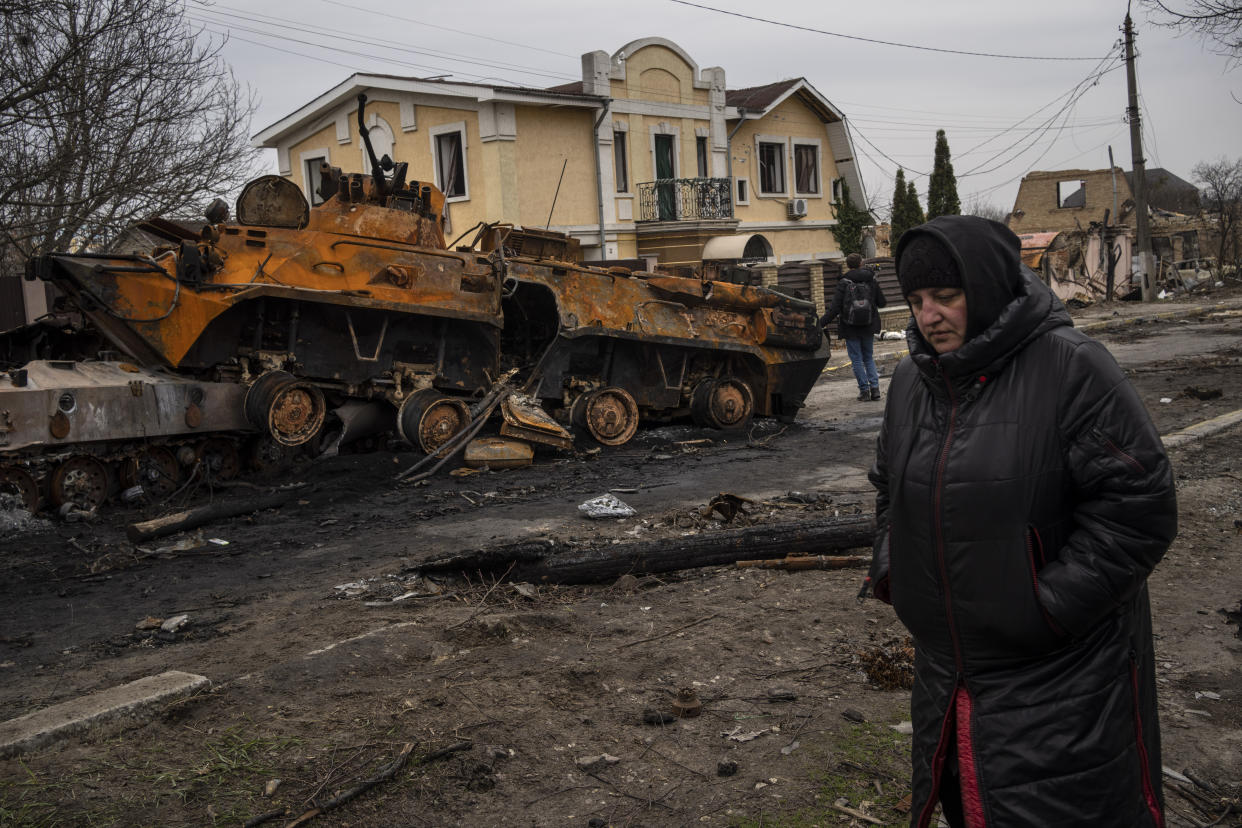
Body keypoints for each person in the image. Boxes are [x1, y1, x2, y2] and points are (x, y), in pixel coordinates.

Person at [861, 216, 1177, 827]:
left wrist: (1044, 608)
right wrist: (893, 570)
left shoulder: (1071, 367)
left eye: (947, 297)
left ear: (987, 289)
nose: (929, 316)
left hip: (1061, 683)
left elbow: (1139, 507)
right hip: (946, 679)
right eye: (918, 300)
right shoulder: (911, 380)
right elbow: (887, 489)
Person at [825, 252, 887, 400]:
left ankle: (864, 391)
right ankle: (875, 389)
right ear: (861, 263)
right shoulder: (871, 279)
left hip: (850, 327)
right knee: (868, 358)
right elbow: (882, 302)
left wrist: (820, 323)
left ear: (848, 265)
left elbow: (833, 309)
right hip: (868, 325)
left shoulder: (843, 282)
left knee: (857, 360)